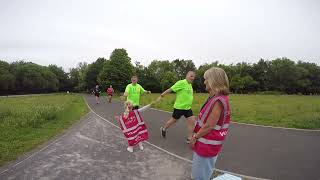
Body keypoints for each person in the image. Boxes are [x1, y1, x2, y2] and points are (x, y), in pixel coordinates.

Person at [190, 67, 231, 180]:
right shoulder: (216, 98)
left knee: (199, 176)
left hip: (206, 146)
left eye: (206, 79)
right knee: (201, 174)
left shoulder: (218, 100)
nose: (204, 82)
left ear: (213, 80)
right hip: (207, 145)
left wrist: (194, 137)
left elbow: (209, 126)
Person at [159, 71, 196, 143]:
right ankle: (163, 128)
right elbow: (171, 89)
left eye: (194, 77)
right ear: (186, 76)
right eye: (191, 76)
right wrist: (162, 95)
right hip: (179, 107)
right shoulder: (181, 82)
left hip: (187, 108)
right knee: (173, 120)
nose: (192, 78)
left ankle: (189, 138)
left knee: (192, 121)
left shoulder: (190, 85)